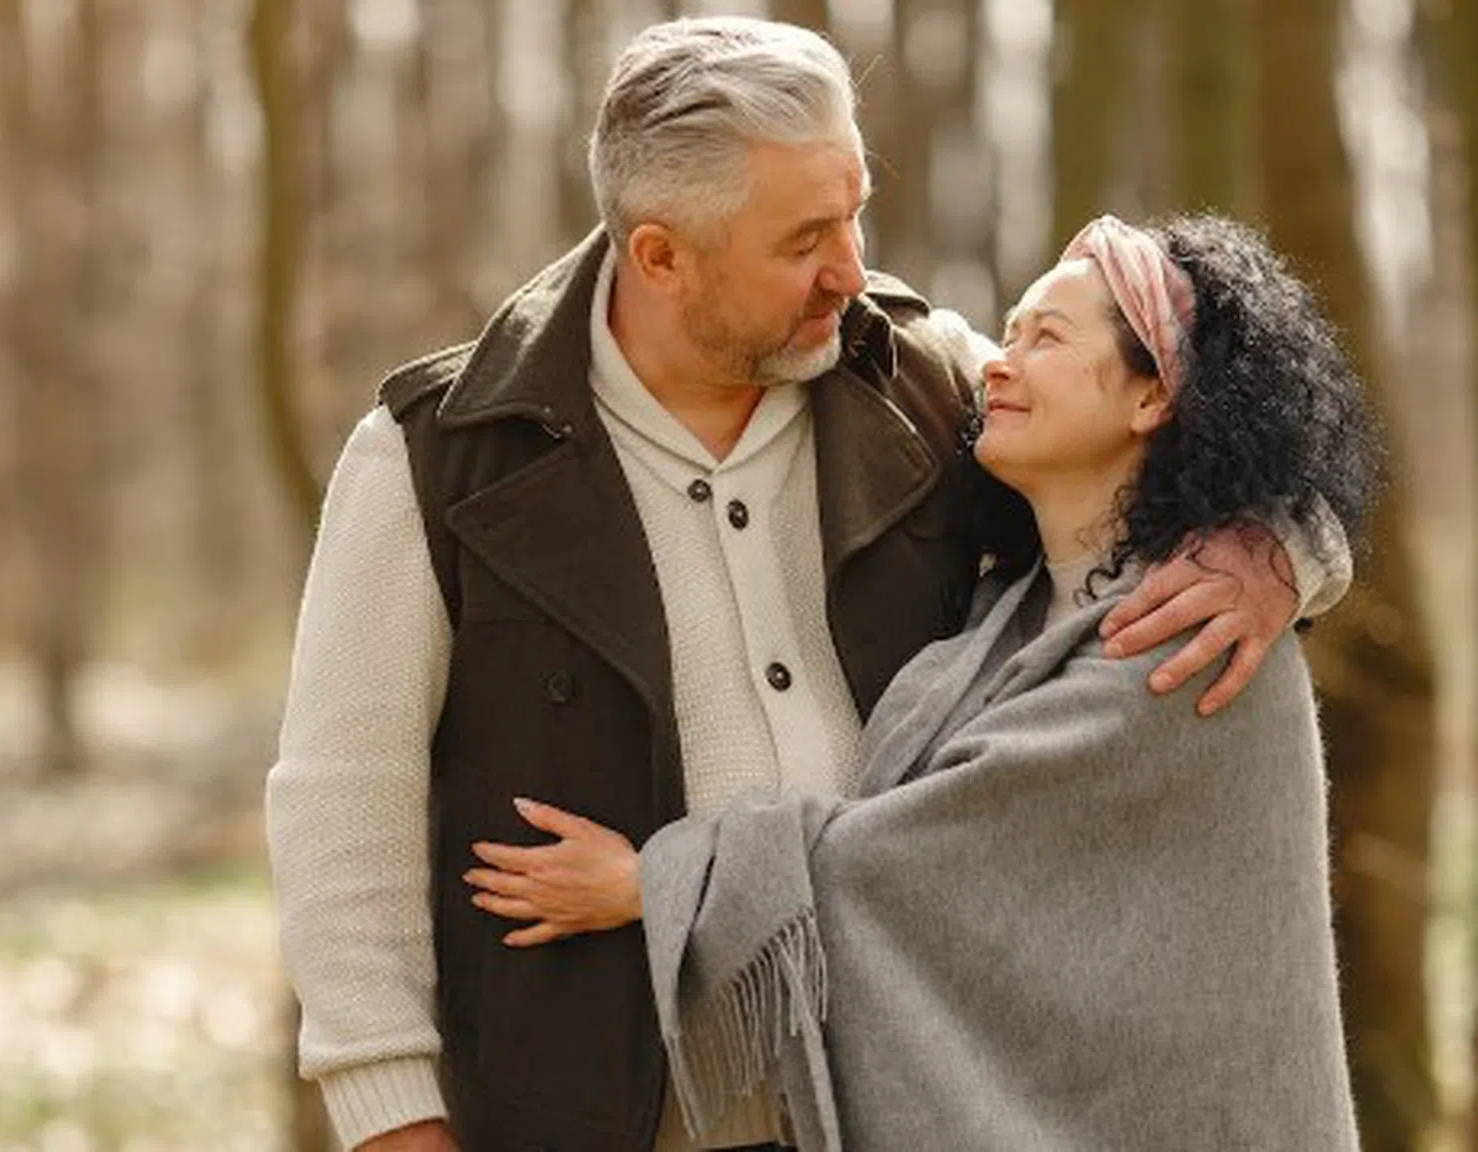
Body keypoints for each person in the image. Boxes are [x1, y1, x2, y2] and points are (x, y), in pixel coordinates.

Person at [265, 18, 1348, 1152]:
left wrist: (1278, 550)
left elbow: (1175, 436)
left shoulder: (921, 379)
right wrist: (392, 1118)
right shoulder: (438, 457)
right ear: (662, 256)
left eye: (854, 211)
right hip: (600, 1109)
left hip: (894, 1094)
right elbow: (343, 805)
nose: (850, 266)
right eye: (802, 239)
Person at [473, 214, 1368, 1149]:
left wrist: (653, 885)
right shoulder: (1000, 618)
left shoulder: (1198, 639)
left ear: (1153, 398)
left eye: (1047, 338)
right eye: (1007, 333)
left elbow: (916, 859)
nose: (997, 366)